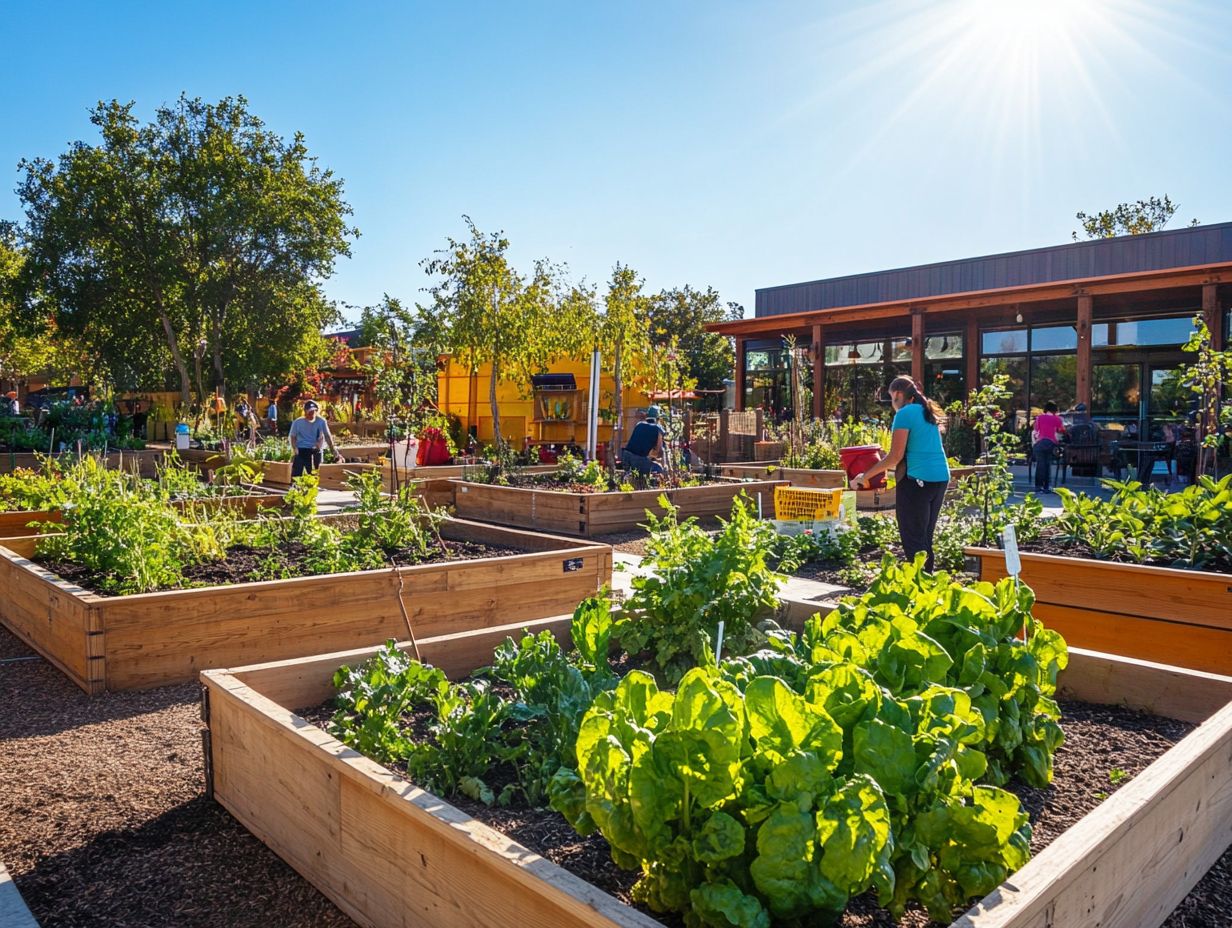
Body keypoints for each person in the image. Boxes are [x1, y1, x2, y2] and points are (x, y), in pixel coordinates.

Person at [852, 376, 950, 572]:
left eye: (891, 398)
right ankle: (928, 585)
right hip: (940, 478)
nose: (892, 404)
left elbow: (894, 457)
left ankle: (919, 588)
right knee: (924, 537)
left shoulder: (905, 414)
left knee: (913, 538)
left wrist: (865, 476)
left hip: (917, 480)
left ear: (897, 394)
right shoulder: (927, 411)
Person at [288, 400, 345, 478]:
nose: (312, 414)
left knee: (315, 473)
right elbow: (293, 436)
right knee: (298, 475)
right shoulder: (297, 422)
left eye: (314, 412)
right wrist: (295, 448)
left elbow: (327, 436)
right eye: (309, 412)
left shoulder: (321, 421)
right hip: (302, 449)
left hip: (316, 449)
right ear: (305, 412)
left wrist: (333, 449)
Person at [1031, 401, 1065, 493]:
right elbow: (1062, 430)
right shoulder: (1057, 419)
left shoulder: (1039, 418)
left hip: (1040, 444)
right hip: (1051, 444)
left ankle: (1038, 486)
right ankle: (1047, 486)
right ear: (1055, 410)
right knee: (1047, 464)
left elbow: (1036, 430)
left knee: (1040, 465)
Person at [621, 406, 666, 475]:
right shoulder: (658, 429)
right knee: (658, 469)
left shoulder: (639, 424)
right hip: (638, 461)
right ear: (658, 418)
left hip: (625, 457)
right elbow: (659, 452)